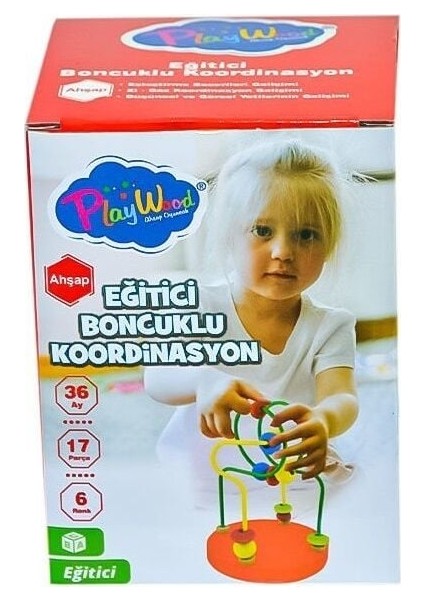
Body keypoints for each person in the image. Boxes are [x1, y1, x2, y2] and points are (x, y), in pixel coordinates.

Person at [144, 140, 359, 495]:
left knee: (354, 496)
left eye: (306, 234)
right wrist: (203, 380)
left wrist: (324, 418)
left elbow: (342, 397)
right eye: (262, 231)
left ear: (329, 245)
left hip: (290, 467)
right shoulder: (198, 305)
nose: (283, 252)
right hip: (208, 472)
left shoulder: (331, 326)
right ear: (229, 236)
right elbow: (157, 377)